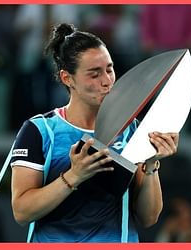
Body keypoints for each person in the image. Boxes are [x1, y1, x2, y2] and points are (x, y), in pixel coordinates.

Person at [10, 23, 179, 242]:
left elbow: (149, 218)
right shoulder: (40, 130)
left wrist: (150, 165)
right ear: (66, 78)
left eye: (109, 69)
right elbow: (22, 212)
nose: (107, 81)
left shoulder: (132, 129)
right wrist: (74, 175)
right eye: (94, 74)